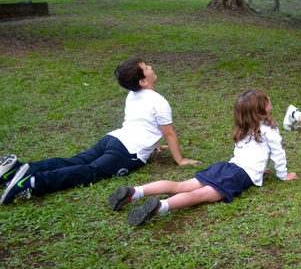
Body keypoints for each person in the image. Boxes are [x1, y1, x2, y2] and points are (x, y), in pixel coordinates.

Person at [0, 58, 197, 205]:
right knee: (89, 172)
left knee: (76, 160)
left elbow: (143, 123)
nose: (151, 67)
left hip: (113, 138)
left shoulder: (132, 95)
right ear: (143, 81)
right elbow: (169, 133)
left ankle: (22, 168)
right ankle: (32, 183)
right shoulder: (159, 101)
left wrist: (156, 144)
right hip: (127, 152)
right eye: (146, 68)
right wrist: (179, 160)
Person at [108, 88, 298, 226]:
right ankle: (161, 206)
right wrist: (283, 175)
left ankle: (135, 191)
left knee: (181, 185)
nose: (269, 98)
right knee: (200, 196)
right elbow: (278, 154)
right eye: (266, 98)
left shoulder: (244, 125)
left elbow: (247, 152)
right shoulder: (269, 129)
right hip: (238, 175)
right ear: (261, 107)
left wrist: (258, 169)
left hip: (224, 167)